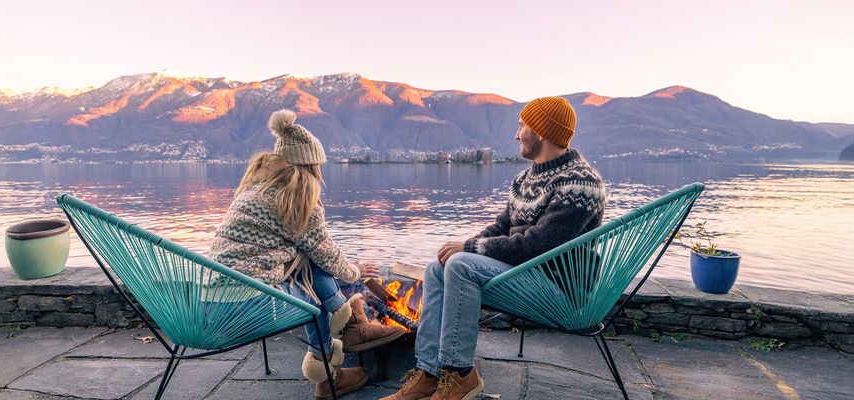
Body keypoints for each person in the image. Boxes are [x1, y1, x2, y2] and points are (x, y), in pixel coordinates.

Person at [383, 97, 607, 400]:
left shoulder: (580, 183)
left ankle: (460, 374)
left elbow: (538, 245)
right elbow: (502, 226)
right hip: (524, 275)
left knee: (461, 265)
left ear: (541, 131)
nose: (516, 134)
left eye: (522, 125)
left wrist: (469, 248)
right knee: (438, 268)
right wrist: (462, 248)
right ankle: (429, 371)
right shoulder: (526, 178)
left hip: (560, 292)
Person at [209, 109, 405, 399]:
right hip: (248, 308)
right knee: (314, 296)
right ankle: (331, 372)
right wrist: (356, 272)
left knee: (309, 263)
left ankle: (352, 328)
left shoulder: (253, 191)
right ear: (310, 167)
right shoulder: (294, 197)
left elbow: (315, 250)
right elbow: (327, 254)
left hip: (209, 308)